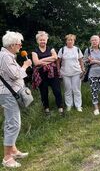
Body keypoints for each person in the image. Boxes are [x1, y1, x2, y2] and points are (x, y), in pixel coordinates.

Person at [0, 31, 32, 168]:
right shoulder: (5, 57)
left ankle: (13, 150)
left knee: (13, 120)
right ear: (12, 44)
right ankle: (7, 158)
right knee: (13, 123)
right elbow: (15, 75)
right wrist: (25, 66)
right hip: (8, 94)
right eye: (19, 43)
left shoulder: (8, 55)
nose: (20, 46)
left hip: (10, 93)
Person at [32, 31, 64, 115]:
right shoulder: (34, 51)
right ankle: (46, 109)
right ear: (37, 41)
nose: (42, 41)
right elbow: (36, 63)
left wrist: (41, 60)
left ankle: (60, 108)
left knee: (57, 91)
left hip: (53, 73)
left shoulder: (51, 49)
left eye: (44, 40)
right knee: (44, 92)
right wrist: (49, 60)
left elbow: (55, 57)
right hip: (41, 74)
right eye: (40, 40)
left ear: (47, 40)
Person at [57, 34, 84, 112]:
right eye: (68, 40)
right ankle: (69, 105)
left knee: (76, 89)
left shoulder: (77, 49)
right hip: (65, 73)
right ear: (66, 41)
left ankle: (78, 105)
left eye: (71, 40)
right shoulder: (62, 49)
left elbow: (81, 60)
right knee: (67, 90)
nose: (70, 41)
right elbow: (58, 61)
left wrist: (82, 69)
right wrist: (58, 70)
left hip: (76, 72)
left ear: (74, 41)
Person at [83, 35, 100, 115]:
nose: (94, 42)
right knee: (94, 91)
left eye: (96, 40)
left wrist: (96, 61)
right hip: (92, 74)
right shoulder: (88, 51)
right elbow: (84, 62)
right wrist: (88, 61)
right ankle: (96, 108)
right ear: (91, 41)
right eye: (92, 40)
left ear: (99, 41)